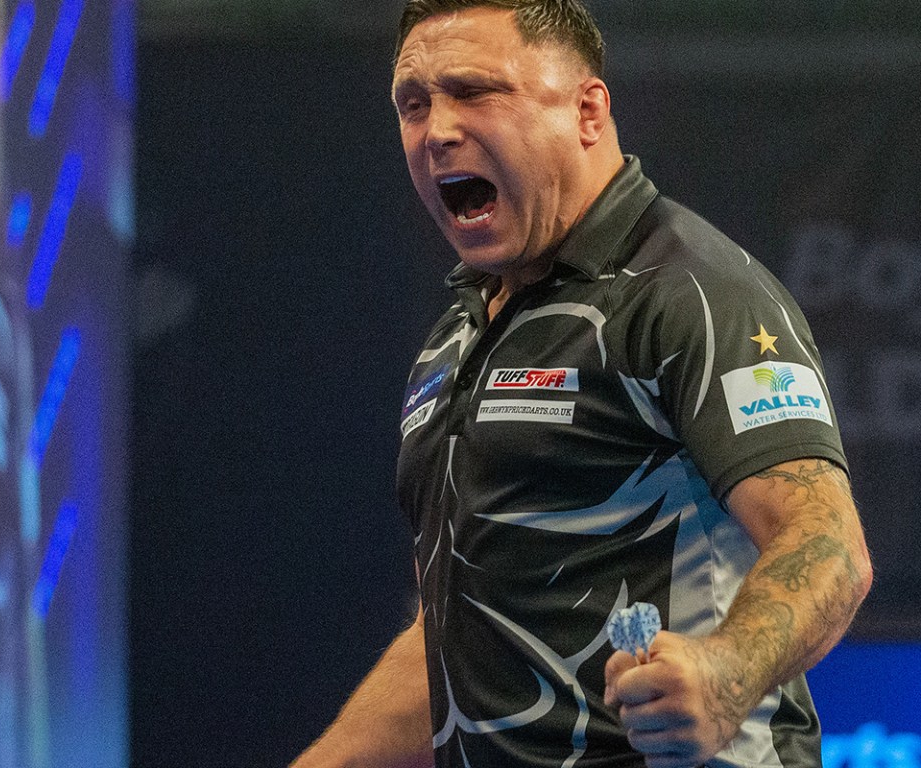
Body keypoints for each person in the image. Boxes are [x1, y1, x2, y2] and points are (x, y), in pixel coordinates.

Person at [294, 2, 872, 766]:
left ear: (587, 112)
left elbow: (827, 544)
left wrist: (725, 673)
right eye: (413, 103)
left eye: (474, 91)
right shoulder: (454, 339)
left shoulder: (691, 293)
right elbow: (459, 632)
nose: (436, 130)